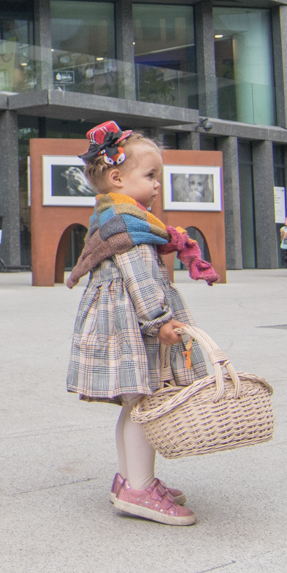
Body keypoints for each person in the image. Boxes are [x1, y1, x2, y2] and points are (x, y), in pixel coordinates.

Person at [65, 121, 216, 527]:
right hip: (133, 323)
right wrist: (160, 322)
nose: (157, 185)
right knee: (144, 405)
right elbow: (141, 278)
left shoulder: (114, 216)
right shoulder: (127, 224)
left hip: (123, 321)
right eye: (150, 176)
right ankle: (139, 489)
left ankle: (132, 479)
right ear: (117, 177)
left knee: (135, 405)